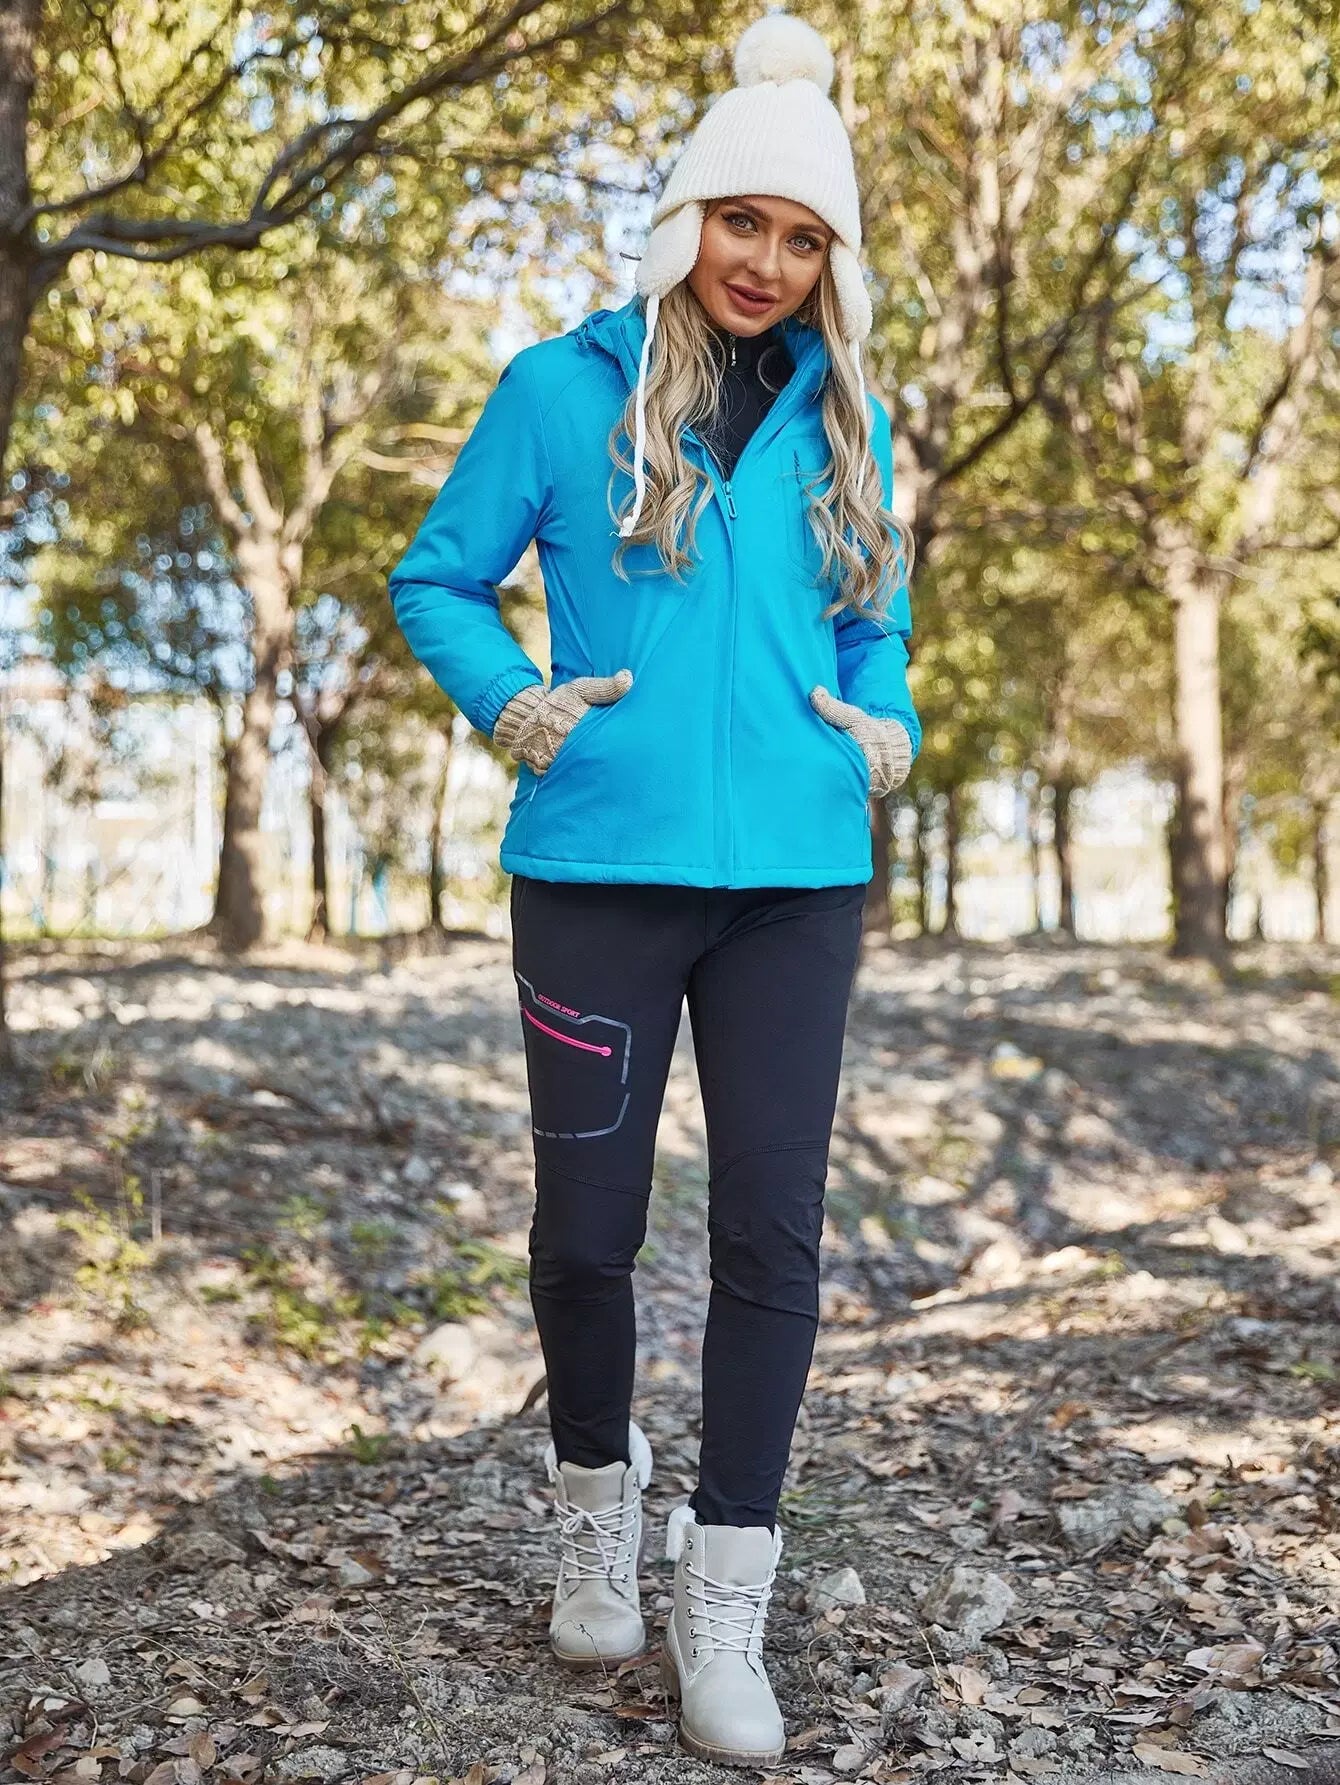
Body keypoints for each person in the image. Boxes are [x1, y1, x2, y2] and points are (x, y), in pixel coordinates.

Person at [388, 11, 921, 1769]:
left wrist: (887, 724)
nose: (765, 262)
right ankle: (595, 1515)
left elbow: (874, 624)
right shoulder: (563, 389)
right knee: (585, 1232)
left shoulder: (852, 418)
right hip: (597, 870)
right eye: (741, 220)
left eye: (803, 237)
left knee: (773, 1237)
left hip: (796, 883)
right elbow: (437, 579)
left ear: (831, 260)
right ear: (688, 214)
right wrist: (512, 701)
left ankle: (728, 1603)